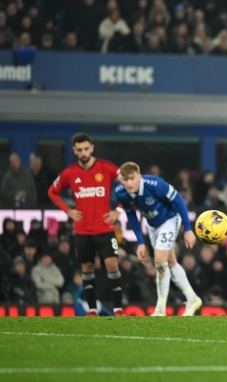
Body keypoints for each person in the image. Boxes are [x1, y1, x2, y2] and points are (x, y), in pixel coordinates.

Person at [47, 133, 125, 316]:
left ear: (92, 148)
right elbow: (52, 192)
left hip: (104, 228)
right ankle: (91, 309)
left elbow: (129, 185)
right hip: (83, 230)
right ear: (74, 151)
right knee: (87, 268)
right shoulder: (69, 173)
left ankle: (119, 308)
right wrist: (68, 211)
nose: (83, 152)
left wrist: (118, 211)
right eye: (79, 149)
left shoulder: (106, 168)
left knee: (112, 264)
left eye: (86, 149)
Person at [115, 162, 203, 316]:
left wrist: (188, 229)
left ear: (139, 177)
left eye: (132, 179)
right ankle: (192, 298)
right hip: (152, 225)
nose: (129, 183)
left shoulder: (156, 184)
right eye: (125, 179)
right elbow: (130, 215)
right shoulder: (121, 192)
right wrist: (141, 242)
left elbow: (179, 201)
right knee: (170, 262)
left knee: (159, 260)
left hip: (170, 219)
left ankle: (160, 308)